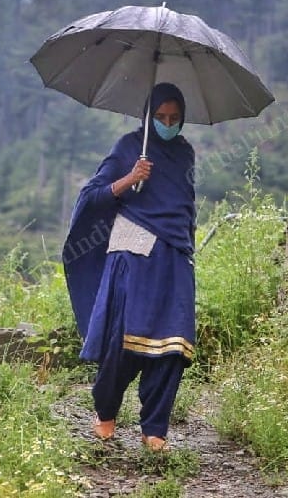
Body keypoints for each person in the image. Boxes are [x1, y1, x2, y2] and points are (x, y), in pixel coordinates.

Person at [63, 82, 196, 452]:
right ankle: (106, 413)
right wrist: (129, 179)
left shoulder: (185, 154)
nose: (168, 123)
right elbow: (91, 198)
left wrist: (189, 248)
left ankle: (154, 430)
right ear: (148, 116)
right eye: (161, 117)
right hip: (133, 253)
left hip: (174, 255)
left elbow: (186, 205)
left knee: (173, 344)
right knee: (126, 339)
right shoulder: (128, 148)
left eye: (175, 118)